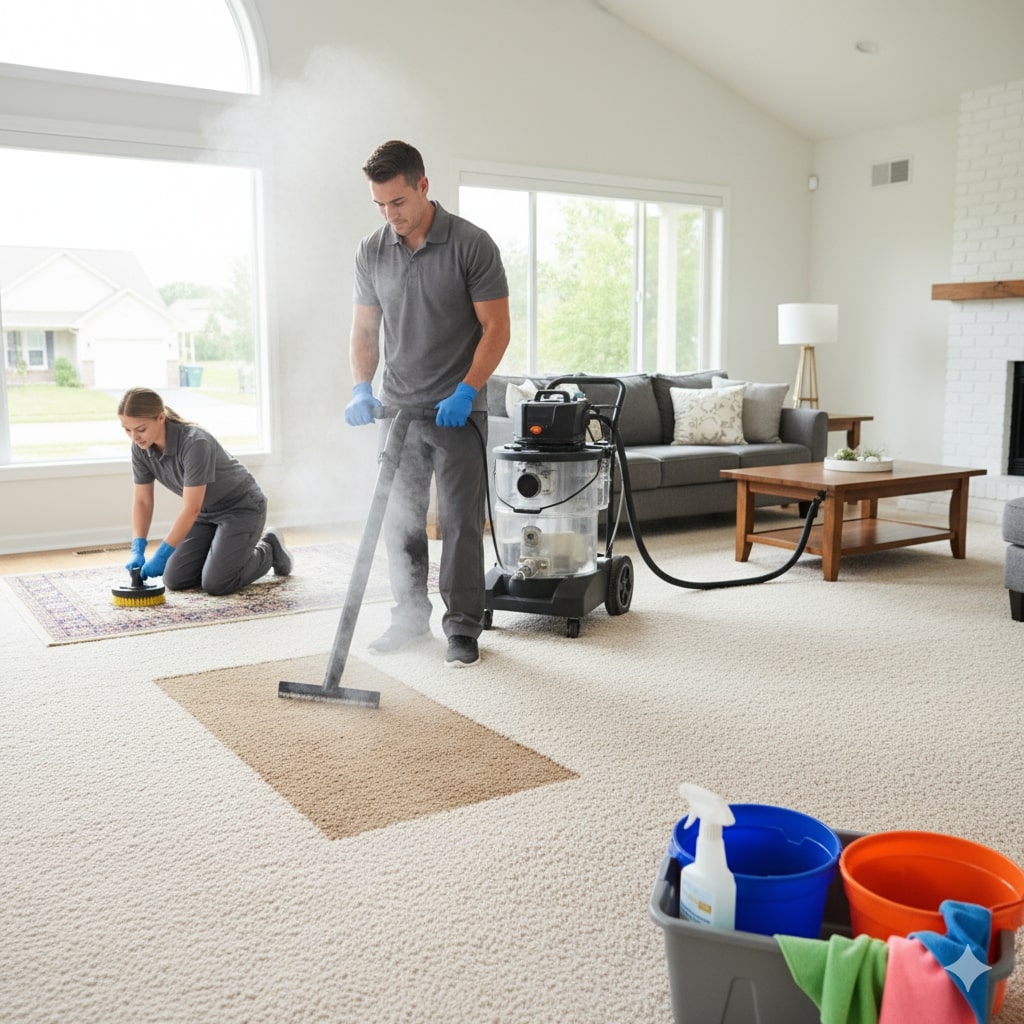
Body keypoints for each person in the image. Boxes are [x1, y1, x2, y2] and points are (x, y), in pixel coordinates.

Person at [345, 140, 510, 668]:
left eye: (398, 202)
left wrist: (467, 390)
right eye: (380, 205)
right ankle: (409, 618)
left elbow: (497, 329)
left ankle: (463, 626)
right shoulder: (372, 250)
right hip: (398, 413)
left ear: (423, 186)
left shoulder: (471, 244)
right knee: (401, 520)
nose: (391, 215)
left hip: (457, 412)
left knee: (461, 524)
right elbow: (365, 328)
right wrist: (360, 387)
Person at [117, 386, 292, 595]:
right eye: (127, 430)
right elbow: (143, 502)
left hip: (241, 508)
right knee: (175, 579)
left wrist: (163, 553)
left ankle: (270, 549)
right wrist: (138, 547)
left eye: (140, 429)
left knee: (217, 584)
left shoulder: (195, 442)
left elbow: (191, 508)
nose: (134, 437)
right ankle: (219, 556)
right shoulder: (140, 449)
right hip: (205, 514)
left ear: (161, 418)